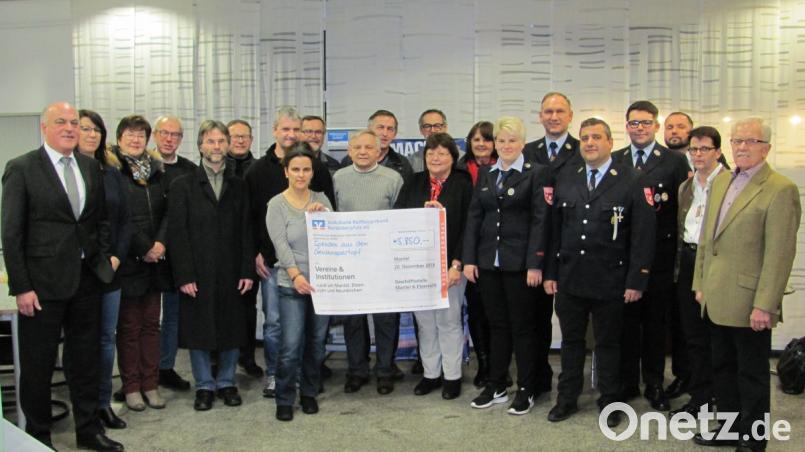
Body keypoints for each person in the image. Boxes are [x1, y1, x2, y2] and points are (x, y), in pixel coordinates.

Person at [1, 101, 123, 451]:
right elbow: (11, 234)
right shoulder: (22, 168)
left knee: (84, 362)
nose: (70, 128)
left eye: (75, 122)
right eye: (61, 122)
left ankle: (89, 431)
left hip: (86, 281)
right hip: (41, 287)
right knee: (38, 367)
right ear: (45, 128)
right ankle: (39, 437)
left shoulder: (89, 166)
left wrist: (100, 262)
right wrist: (21, 287)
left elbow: (98, 221)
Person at [692, 117, 800, 451]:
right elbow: (707, 241)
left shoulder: (780, 189)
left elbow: (779, 254)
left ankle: (753, 439)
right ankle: (728, 429)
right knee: (722, 369)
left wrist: (765, 305)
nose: (742, 147)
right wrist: (700, 283)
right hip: (715, 296)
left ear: (766, 148)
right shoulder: (721, 181)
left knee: (751, 375)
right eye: (737, 141)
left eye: (750, 141)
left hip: (750, 301)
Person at [544, 117, 655, 428]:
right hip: (571, 278)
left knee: (608, 345)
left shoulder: (632, 179)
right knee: (571, 343)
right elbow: (556, 231)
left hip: (611, 280)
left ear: (609, 142)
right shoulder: (568, 177)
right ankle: (566, 398)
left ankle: (610, 400)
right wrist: (551, 273)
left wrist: (637, 280)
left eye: (596, 137)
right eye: (584, 138)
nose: (589, 143)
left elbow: (643, 236)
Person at [462, 116, 551, 416]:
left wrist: (535, 263)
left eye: (512, 140)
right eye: (501, 141)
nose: (506, 145)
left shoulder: (536, 173)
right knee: (497, 326)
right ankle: (496, 383)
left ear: (523, 143)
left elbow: (541, 220)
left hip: (520, 266)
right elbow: (475, 217)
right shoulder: (487, 173)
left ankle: (527, 387)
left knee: (523, 328)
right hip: (489, 264)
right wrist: (470, 258)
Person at [244, 106, 334, 398]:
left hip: (316, 266)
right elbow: (250, 215)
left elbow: (329, 218)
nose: (291, 134)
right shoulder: (257, 170)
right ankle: (275, 377)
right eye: (285, 129)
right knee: (275, 325)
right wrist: (256, 250)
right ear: (275, 131)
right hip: (273, 263)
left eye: (296, 129)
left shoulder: (316, 169)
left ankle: (308, 383)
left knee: (313, 333)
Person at [168, 120, 255, 411]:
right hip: (197, 270)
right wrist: (184, 274)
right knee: (199, 329)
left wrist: (247, 270)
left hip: (232, 269)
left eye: (221, 141)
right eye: (210, 141)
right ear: (200, 145)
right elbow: (177, 234)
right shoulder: (182, 185)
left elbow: (247, 231)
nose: (216, 147)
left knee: (231, 326)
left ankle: (227, 382)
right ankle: (204, 385)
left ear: (227, 145)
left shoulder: (239, 185)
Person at [612, 100, 689, 411]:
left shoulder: (673, 161)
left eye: (645, 122)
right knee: (625, 323)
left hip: (659, 257)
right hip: (622, 258)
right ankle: (628, 381)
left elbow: (682, 212)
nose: (639, 128)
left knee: (655, 325)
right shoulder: (615, 160)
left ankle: (654, 382)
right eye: (634, 123)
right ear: (627, 126)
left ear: (656, 126)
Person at [395, 133, 473, 399]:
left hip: (451, 266)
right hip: (418, 267)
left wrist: (457, 264)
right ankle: (431, 374)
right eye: (430, 153)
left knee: (449, 322)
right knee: (425, 323)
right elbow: (398, 218)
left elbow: (468, 227)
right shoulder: (414, 182)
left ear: (453, 157)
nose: (435, 158)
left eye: (441, 153)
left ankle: (452, 376)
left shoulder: (463, 184)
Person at [334, 129, 404, 395]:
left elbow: (400, 218)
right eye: (357, 147)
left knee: (386, 319)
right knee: (353, 320)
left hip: (383, 261)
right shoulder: (338, 178)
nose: (362, 152)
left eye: (368, 147)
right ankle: (357, 371)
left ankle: (385, 370)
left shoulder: (393, 178)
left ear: (378, 151)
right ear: (349, 151)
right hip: (350, 262)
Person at [266, 143, 333, 421]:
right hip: (291, 284)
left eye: (306, 169)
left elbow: (336, 240)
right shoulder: (276, 204)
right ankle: (284, 397)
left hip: (322, 285)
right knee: (291, 344)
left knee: (316, 344)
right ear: (286, 172)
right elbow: (280, 246)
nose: (301, 174)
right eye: (295, 169)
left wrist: (325, 218)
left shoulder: (322, 199)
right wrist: (296, 276)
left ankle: (308, 393)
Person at [77, 109, 132, 430]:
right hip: (78, 269)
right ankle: (83, 405)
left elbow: (124, 220)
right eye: (85, 129)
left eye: (96, 129)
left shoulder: (111, 172)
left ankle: (102, 403)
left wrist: (116, 256)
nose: (92, 134)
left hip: (109, 268)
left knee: (105, 338)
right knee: (81, 339)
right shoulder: (67, 172)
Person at [113, 115, 172, 412]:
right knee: (129, 327)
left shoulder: (157, 170)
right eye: (130, 134)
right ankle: (132, 386)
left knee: (152, 325)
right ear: (120, 137)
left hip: (155, 262)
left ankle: (151, 384)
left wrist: (159, 244)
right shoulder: (112, 171)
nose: (136, 140)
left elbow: (167, 213)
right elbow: (119, 218)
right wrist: (145, 247)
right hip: (128, 261)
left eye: (140, 135)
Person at [670, 126, 725, 418]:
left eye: (705, 149)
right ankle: (701, 397)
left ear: (717, 152)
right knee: (693, 335)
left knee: (716, 334)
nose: (698, 154)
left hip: (717, 265)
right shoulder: (686, 187)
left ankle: (722, 396)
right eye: (694, 149)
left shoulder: (729, 183)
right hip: (689, 261)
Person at [152, 114, 195, 392]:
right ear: (155, 135)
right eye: (164, 133)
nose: (169, 139)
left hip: (176, 256)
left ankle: (165, 367)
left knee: (172, 316)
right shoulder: (140, 167)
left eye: (175, 135)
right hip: (142, 255)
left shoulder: (189, 170)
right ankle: (140, 375)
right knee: (139, 320)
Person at [456, 121, 497, 388]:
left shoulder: (505, 167)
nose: (480, 144)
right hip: (469, 250)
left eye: (486, 139)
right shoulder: (459, 170)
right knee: (477, 311)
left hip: (497, 250)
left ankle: (498, 364)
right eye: (475, 139)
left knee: (497, 312)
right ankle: (483, 363)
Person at [226, 119, 263, 379]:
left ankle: (247, 357)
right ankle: (221, 358)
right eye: (234, 136)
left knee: (248, 307)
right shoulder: (214, 168)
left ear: (251, 140)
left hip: (251, 247)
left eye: (244, 137)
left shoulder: (258, 169)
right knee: (222, 305)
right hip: (221, 248)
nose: (240, 141)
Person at [523, 92, 583, 181]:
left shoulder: (581, 150)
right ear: (540, 116)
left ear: (570, 116)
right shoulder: (526, 151)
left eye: (560, 111)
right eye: (549, 112)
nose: (554, 117)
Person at [341, 110, 413, 182]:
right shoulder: (349, 161)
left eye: (390, 129)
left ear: (395, 134)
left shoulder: (402, 164)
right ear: (369, 130)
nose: (385, 133)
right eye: (380, 127)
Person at [408, 109, 449, 173]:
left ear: (445, 128)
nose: (432, 130)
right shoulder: (412, 161)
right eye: (427, 126)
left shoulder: (461, 158)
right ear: (421, 130)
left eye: (437, 126)